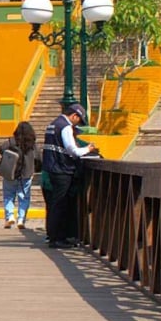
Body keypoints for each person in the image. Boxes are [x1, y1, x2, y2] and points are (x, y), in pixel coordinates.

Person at [42, 102, 99, 248]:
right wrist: (88, 148)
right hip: (62, 169)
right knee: (60, 204)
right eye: (78, 120)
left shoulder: (52, 124)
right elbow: (73, 150)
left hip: (52, 168)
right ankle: (57, 239)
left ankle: (55, 236)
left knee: (55, 204)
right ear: (74, 116)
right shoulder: (65, 127)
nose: (77, 123)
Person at [0, 121, 36, 229]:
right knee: (24, 197)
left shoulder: (10, 142)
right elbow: (38, 157)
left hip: (11, 173)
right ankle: (21, 218)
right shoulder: (32, 145)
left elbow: (1, 149)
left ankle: (10, 216)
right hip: (26, 173)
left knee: (8, 195)